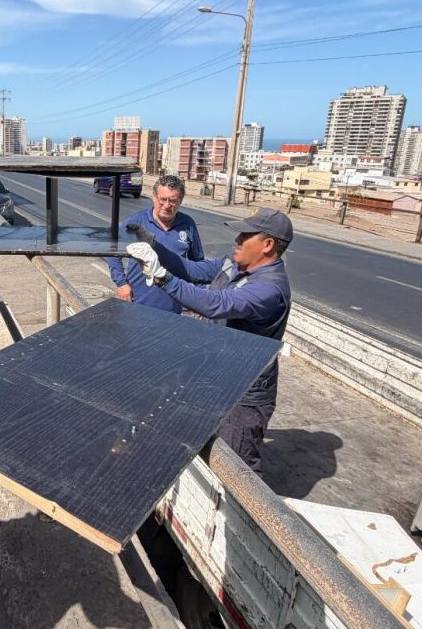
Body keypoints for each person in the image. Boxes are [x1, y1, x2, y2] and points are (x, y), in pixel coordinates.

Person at [127, 207, 293, 474]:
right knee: (205, 449)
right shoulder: (234, 264)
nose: (237, 239)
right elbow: (191, 269)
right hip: (220, 375)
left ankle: (247, 502)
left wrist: (162, 278)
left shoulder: (268, 288)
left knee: (237, 464)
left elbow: (216, 303)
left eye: (245, 235)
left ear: (268, 245)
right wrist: (154, 246)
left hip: (245, 391)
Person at [105, 174, 204, 313]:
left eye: (172, 200)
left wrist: (201, 298)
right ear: (154, 197)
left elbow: (198, 264)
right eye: (163, 199)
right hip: (137, 304)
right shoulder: (137, 222)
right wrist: (121, 283)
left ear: (180, 201)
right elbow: (112, 251)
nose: (167, 205)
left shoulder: (188, 225)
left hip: (172, 309)